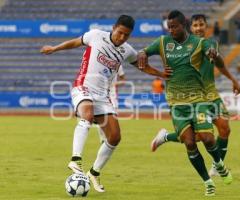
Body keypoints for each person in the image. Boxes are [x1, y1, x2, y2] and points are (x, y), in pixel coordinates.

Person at [40, 15, 170, 193]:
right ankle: (75, 159)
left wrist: (161, 74)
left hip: (103, 95)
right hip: (83, 86)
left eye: (127, 35)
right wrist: (54, 48)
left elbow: (143, 66)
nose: (122, 37)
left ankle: (94, 172)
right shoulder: (96, 35)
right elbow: (75, 42)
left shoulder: (127, 50)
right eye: (120, 33)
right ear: (114, 27)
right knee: (87, 114)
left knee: (115, 136)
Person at [138, 10, 233, 196]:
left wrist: (215, 54)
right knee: (189, 142)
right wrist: (144, 55)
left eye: (175, 27)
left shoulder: (200, 43)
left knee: (207, 137)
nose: (171, 30)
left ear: (184, 25)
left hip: (199, 99)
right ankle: (207, 182)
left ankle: (220, 165)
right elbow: (144, 52)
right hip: (176, 102)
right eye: (169, 27)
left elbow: (217, 59)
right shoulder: (163, 42)